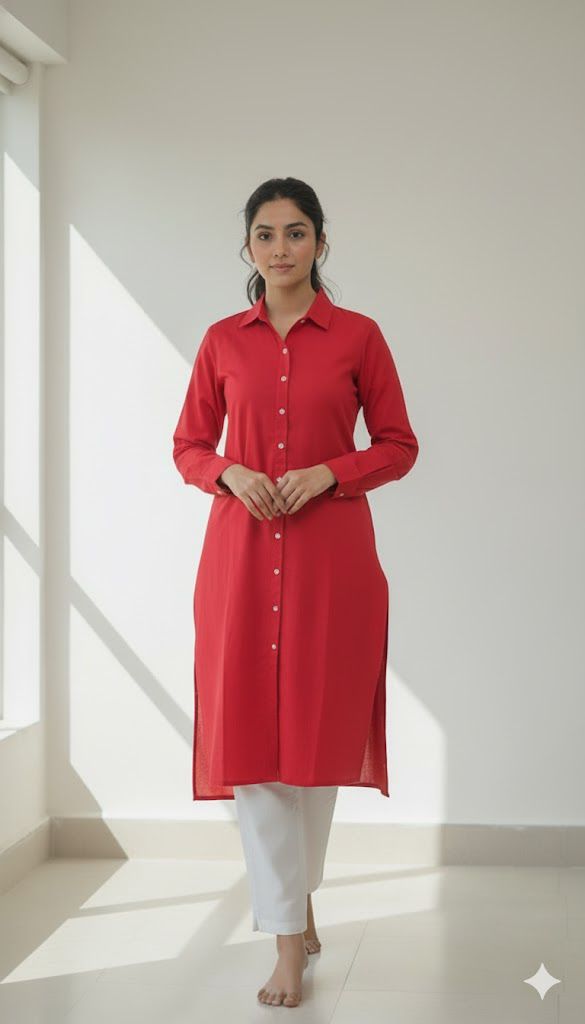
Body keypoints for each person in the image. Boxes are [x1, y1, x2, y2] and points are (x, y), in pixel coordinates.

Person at [172, 177, 419, 1007]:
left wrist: (328, 473)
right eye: (266, 234)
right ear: (247, 246)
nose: (280, 248)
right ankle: (285, 940)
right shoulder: (221, 342)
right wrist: (229, 472)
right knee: (254, 749)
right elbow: (187, 446)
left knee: (314, 746)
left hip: (330, 567)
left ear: (320, 242)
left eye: (296, 232)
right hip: (241, 564)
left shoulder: (359, 337)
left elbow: (397, 444)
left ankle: (297, 901)